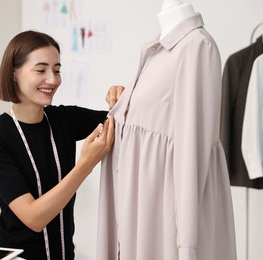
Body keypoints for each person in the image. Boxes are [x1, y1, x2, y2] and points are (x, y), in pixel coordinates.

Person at [96, 1, 237, 260]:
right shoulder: (154, 49)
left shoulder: (196, 47)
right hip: (140, 212)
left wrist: (187, 246)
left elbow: (192, 149)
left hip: (164, 218)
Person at [0, 30, 123, 260]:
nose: (53, 80)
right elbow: (34, 219)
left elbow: (123, 123)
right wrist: (85, 165)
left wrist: (124, 97)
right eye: (41, 70)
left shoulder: (63, 120)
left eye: (57, 70)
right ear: (14, 73)